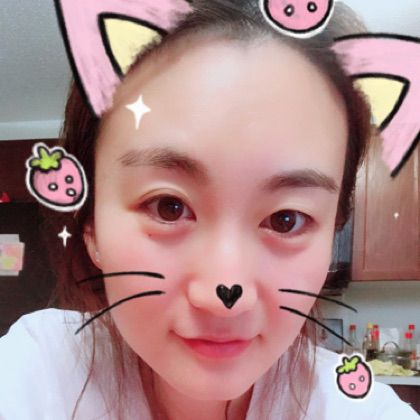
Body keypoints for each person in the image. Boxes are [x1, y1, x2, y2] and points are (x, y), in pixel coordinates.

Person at [1, 1, 419, 419]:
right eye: (168, 207)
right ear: (90, 224)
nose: (225, 295)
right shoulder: (34, 375)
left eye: (285, 220)